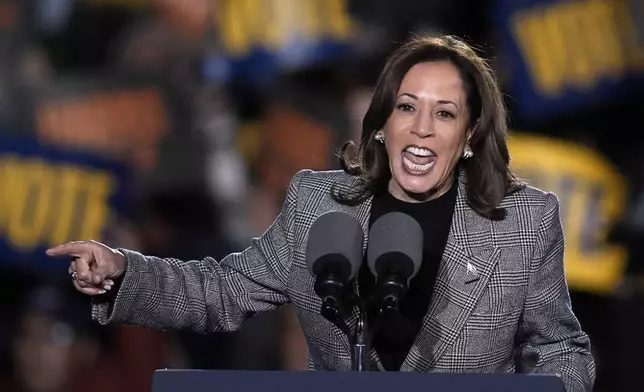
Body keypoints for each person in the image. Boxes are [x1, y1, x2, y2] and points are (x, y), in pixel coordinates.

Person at [46, 35, 595, 391]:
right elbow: (221, 291)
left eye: (444, 113)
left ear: (471, 135)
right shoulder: (319, 205)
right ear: (383, 122)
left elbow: (562, 350)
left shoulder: (522, 222)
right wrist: (123, 271)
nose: (422, 127)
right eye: (407, 106)